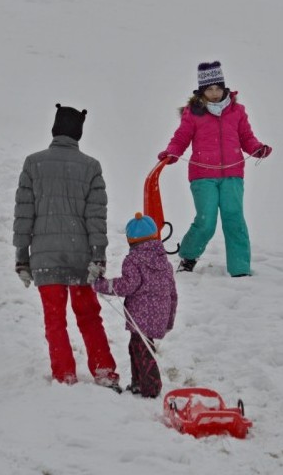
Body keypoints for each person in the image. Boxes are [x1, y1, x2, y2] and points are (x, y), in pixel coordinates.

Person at [13, 104, 120, 391]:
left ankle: (65, 376)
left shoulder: (33, 163)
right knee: (89, 316)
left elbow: (24, 215)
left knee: (54, 320)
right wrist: (98, 256)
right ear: (79, 133)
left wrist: (22, 257)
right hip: (80, 257)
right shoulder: (91, 167)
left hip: (45, 258)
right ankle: (104, 371)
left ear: (55, 130)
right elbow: (96, 218)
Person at [158, 61, 272, 277]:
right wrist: (171, 152)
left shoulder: (237, 111)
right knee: (206, 220)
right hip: (203, 177)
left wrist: (257, 148)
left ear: (224, 87)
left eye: (218, 88)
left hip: (233, 175)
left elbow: (246, 137)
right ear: (202, 91)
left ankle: (240, 268)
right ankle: (189, 256)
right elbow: (181, 137)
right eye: (209, 89)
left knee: (234, 219)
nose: (214, 93)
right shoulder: (193, 113)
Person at [90, 213, 177, 398]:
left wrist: (101, 285)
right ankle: (138, 383)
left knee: (142, 350)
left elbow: (127, 285)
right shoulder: (165, 262)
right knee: (138, 347)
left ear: (131, 240)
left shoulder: (133, 260)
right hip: (159, 314)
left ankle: (152, 387)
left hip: (141, 316)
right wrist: (169, 320)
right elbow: (172, 294)